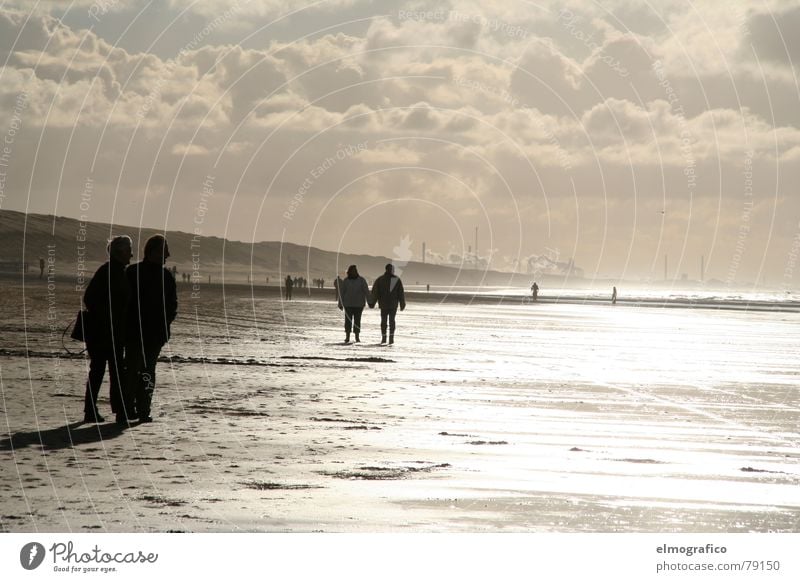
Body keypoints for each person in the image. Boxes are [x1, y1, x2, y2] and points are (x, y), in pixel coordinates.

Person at [125, 235, 177, 424]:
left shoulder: (163, 276)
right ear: (153, 251)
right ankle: (133, 409)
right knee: (138, 370)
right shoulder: (134, 272)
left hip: (151, 334)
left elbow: (172, 306)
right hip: (137, 332)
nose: (168, 255)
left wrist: (165, 323)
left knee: (141, 370)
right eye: (165, 250)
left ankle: (139, 409)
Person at [82, 235, 133, 424]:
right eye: (128, 250)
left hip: (114, 331)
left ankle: (113, 411)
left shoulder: (119, 271)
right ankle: (96, 410)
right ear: (119, 252)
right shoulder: (108, 271)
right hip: (103, 332)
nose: (131, 254)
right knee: (103, 370)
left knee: (113, 371)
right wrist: (107, 318)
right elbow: (90, 299)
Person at [371, 263, 406, 344]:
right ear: (386, 269)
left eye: (392, 269)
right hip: (384, 304)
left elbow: (400, 292)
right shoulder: (381, 280)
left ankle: (390, 337)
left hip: (392, 304)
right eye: (390, 269)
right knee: (385, 321)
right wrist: (372, 302)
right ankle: (384, 337)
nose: (391, 271)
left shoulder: (395, 279)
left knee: (391, 321)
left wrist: (402, 303)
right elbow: (375, 292)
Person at [336, 265, 370, 343]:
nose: (354, 272)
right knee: (348, 321)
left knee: (357, 321)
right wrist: (340, 304)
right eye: (352, 270)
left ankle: (357, 337)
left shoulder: (361, 280)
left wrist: (370, 301)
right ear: (349, 271)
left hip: (359, 304)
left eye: (355, 270)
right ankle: (347, 337)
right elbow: (342, 293)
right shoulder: (346, 281)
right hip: (348, 304)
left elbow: (366, 291)